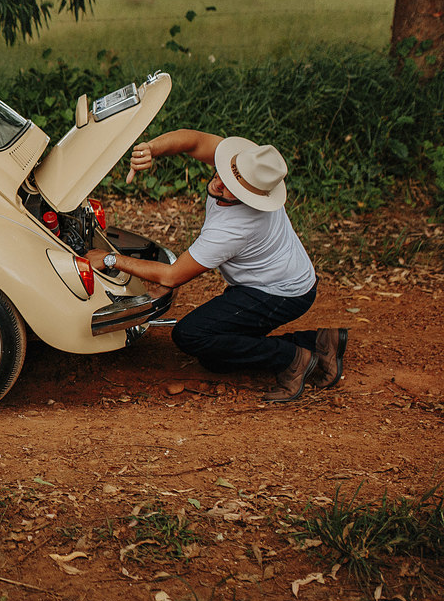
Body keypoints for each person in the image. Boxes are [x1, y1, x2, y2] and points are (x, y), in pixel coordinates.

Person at [85, 129, 347, 403]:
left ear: (251, 197)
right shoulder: (250, 167)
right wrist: (151, 148)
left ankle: (293, 358)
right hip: (281, 276)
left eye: (232, 189)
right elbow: (194, 141)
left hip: (280, 293)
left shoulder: (233, 229)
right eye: (222, 173)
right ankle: (319, 342)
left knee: (192, 335)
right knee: (216, 360)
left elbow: (172, 276)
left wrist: (110, 259)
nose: (219, 183)